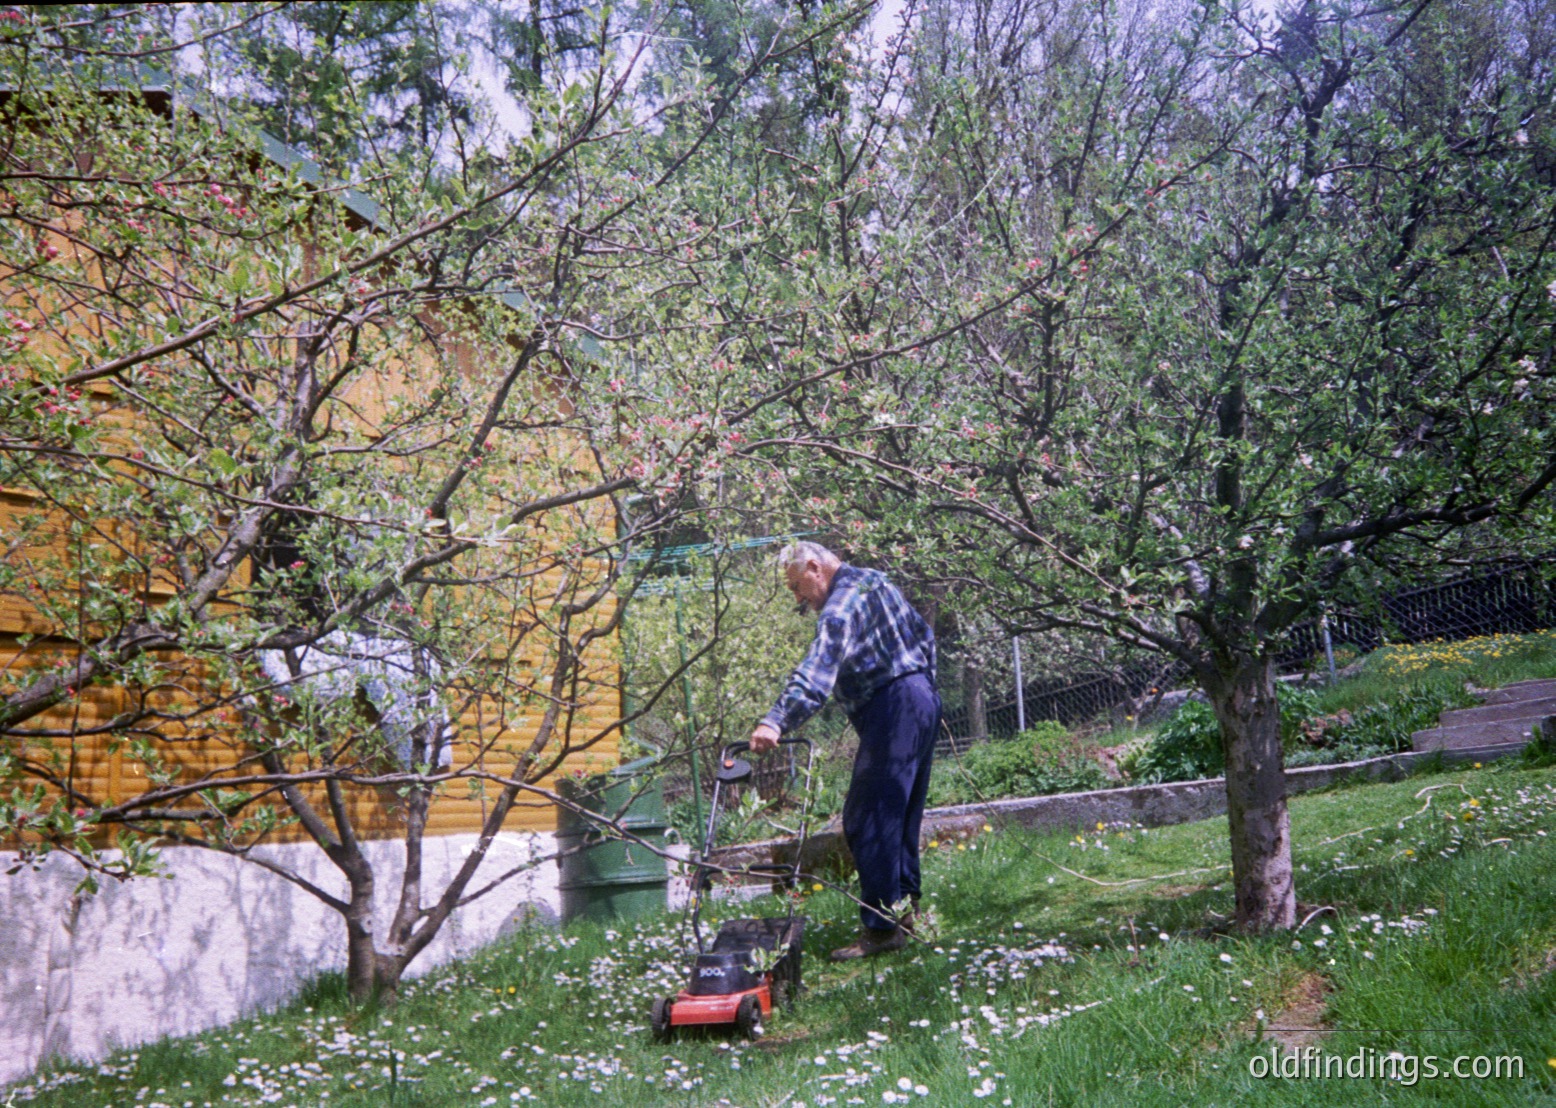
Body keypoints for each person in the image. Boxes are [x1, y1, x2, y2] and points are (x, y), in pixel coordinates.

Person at [750, 541, 940, 961]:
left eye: (798, 587)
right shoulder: (875, 580)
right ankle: (904, 911)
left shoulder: (838, 608)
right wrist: (924, 694)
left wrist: (775, 720)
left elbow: (816, 674)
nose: (799, 600)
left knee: (865, 817)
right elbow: (924, 636)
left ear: (816, 567)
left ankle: (881, 929)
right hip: (920, 697)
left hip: (894, 706)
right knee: (901, 814)